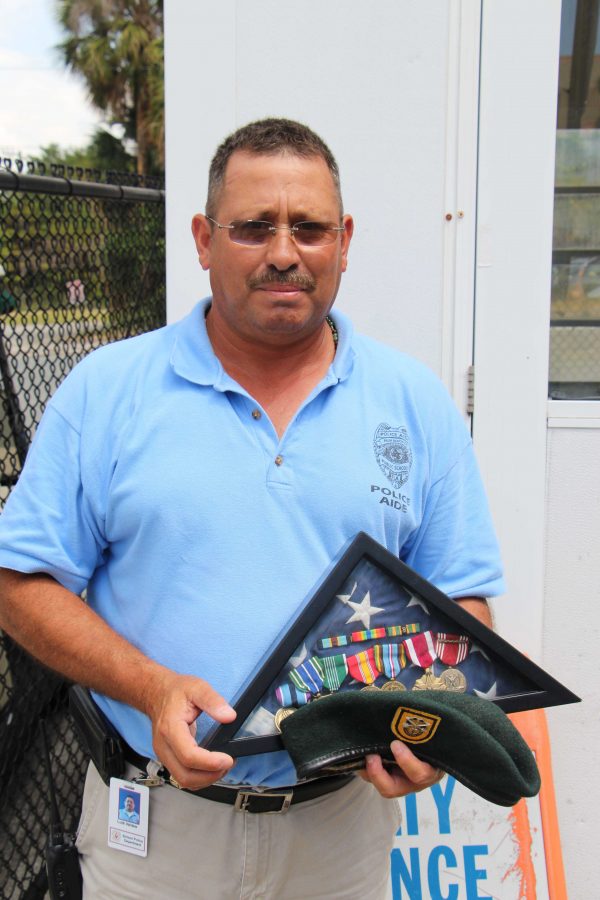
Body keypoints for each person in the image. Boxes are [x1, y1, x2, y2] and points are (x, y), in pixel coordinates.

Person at [0, 118, 503, 899]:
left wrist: (434, 719)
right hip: (158, 834)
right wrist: (151, 687)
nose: (283, 252)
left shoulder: (415, 404)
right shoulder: (107, 393)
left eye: (309, 228)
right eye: (252, 227)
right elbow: (19, 583)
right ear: (204, 239)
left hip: (339, 833)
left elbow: (460, 596)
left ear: (344, 241)